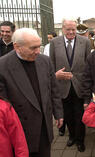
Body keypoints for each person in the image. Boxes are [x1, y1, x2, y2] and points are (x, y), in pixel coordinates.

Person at [0, 28, 63, 157]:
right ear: (17, 46)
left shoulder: (45, 61)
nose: (37, 52)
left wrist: (58, 113)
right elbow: (4, 105)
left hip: (44, 127)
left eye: (39, 47)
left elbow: (54, 90)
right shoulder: (3, 66)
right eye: (33, 48)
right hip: (21, 130)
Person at [50, 18, 91, 152]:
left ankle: (80, 140)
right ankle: (72, 136)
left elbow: (88, 64)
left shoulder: (85, 42)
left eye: (73, 29)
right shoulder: (54, 43)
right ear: (62, 29)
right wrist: (56, 75)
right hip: (62, 85)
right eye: (68, 29)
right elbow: (51, 64)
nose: (71, 32)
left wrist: (86, 84)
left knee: (79, 115)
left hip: (79, 85)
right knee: (67, 114)